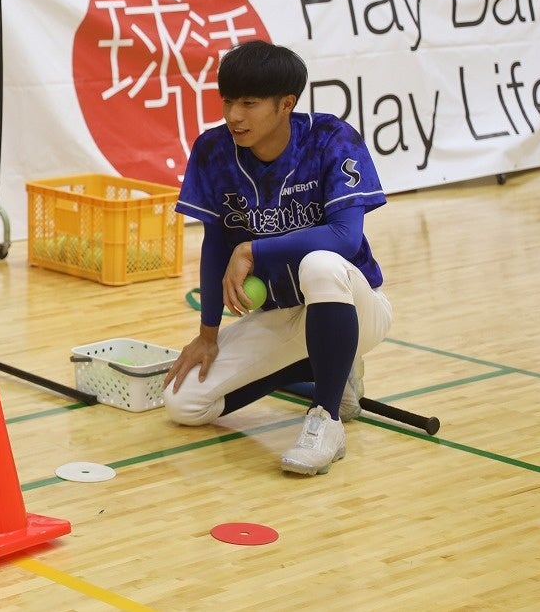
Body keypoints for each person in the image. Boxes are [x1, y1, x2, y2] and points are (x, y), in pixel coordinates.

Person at [161, 41, 393, 475]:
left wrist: (252, 249)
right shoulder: (213, 151)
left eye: (249, 104)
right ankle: (330, 370)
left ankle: (326, 419)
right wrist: (207, 334)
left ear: (286, 104)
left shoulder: (331, 139)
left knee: (320, 263)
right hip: (284, 315)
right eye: (228, 101)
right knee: (183, 402)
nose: (233, 115)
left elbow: (344, 238)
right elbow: (215, 243)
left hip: (355, 306)